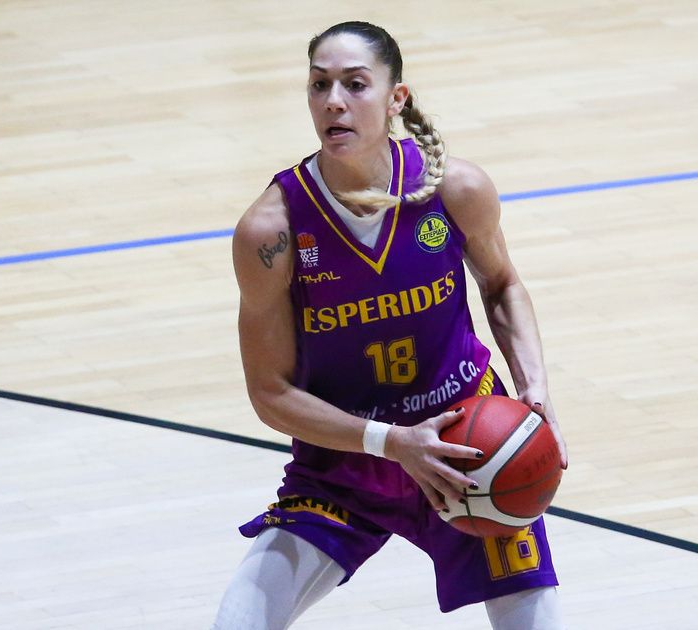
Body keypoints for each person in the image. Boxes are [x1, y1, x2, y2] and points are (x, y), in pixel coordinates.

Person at [214, 21, 569, 629]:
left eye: (355, 84)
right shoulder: (271, 231)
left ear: (395, 98)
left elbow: (503, 285)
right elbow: (270, 393)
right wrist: (391, 441)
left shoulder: (455, 188)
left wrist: (534, 390)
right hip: (345, 460)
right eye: (320, 85)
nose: (333, 101)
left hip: (467, 449)